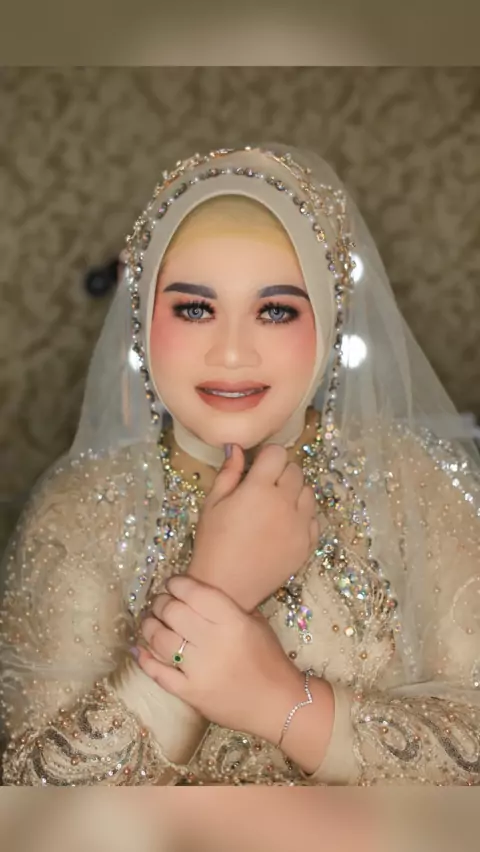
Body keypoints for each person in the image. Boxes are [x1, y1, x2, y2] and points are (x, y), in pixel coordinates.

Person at [1, 144, 479, 787]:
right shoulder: (81, 509)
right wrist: (217, 587)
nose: (230, 353)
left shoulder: (416, 480)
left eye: (276, 310)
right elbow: (38, 805)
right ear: (143, 316)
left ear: (328, 318)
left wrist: (281, 702)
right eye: (194, 309)